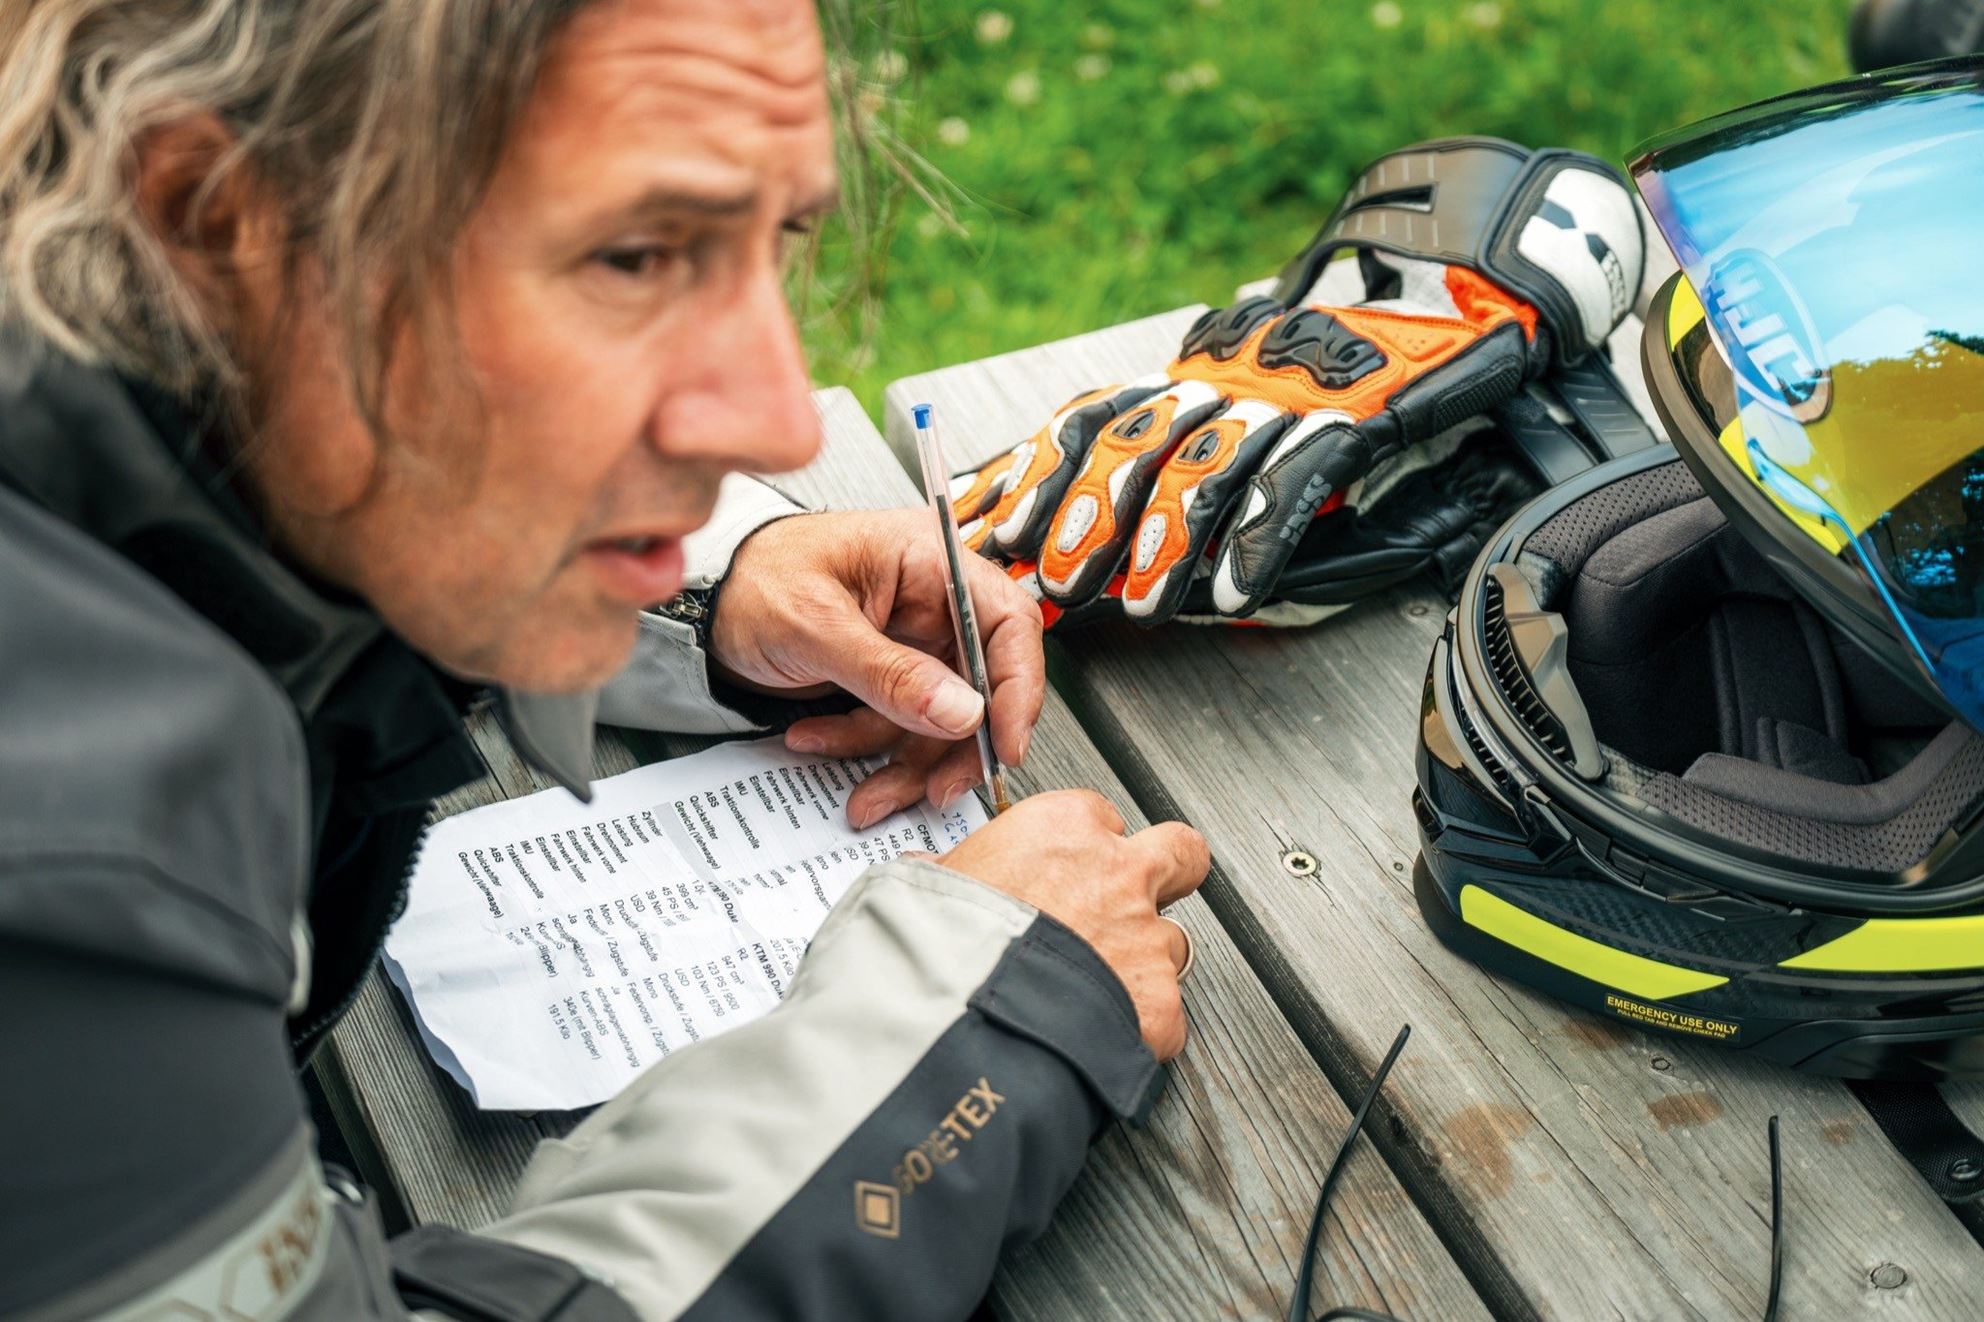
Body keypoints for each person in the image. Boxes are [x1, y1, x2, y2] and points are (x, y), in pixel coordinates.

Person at [0, 2, 1210, 1319]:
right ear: (211, 211)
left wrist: (704, 600)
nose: (773, 419)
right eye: (635, 256)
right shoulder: (59, 871)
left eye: (779, 241)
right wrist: (979, 1020)